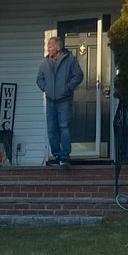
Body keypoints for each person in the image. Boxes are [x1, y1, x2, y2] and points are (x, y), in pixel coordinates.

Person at [35, 35, 83, 167]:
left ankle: (65, 156)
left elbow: (78, 75)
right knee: (51, 129)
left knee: (64, 127)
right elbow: (39, 79)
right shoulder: (44, 63)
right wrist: (46, 88)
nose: (48, 48)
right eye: (47, 46)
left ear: (58, 47)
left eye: (50, 45)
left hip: (64, 100)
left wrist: (68, 88)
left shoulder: (70, 60)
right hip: (50, 101)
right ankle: (56, 156)